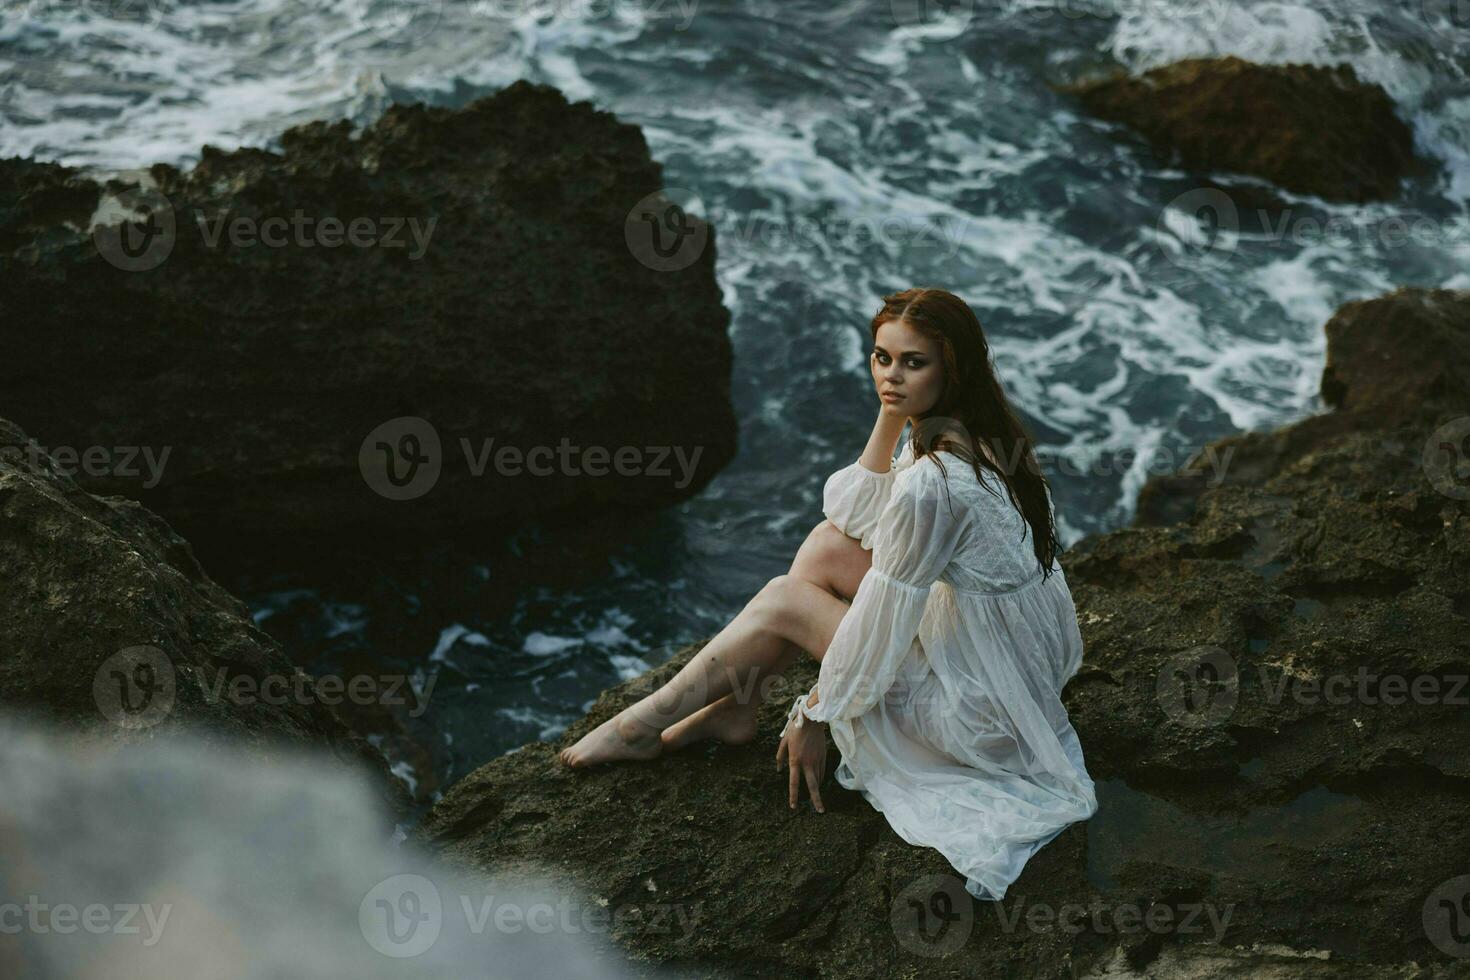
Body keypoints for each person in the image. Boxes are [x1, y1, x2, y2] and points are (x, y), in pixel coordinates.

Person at [559, 286, 1098, 901]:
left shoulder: (936, 483)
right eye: (881, 358)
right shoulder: (987, 435)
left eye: (913, 363)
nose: (890, 377)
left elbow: (884, 617)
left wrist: (818, 709)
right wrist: (893, 414)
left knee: (785, 599)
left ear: (954, 368)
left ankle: (642, 725)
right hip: (1009, 670)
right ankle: (736, 704)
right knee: (823, 547)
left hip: (980, 716)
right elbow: (852, 515)